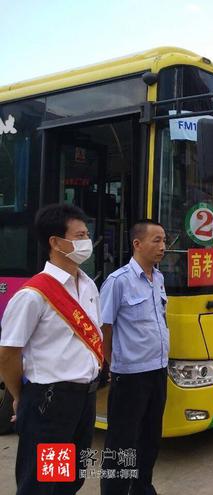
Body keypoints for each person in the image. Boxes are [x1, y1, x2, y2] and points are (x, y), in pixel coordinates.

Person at [0, 204, 102, 495]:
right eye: (80, 235)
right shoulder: (33, 295)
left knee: (70, 479)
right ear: (55, 242)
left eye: (87, 234)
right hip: (50, 400)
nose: (86, 242)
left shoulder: (88, 286)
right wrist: (21, 396)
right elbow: (8, 353)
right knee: (42, 483)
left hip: (84, 398)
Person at [100, 220, 169, 495]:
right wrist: (112, 362)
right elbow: (105, 327)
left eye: (164, 240)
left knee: (150, 437)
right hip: (129, 375)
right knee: (121, 442)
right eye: (156, 240)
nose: (163, 246)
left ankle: (142, 488)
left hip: (158, 370)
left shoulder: (159, 278)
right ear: (137, 244)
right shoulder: (118, 281)